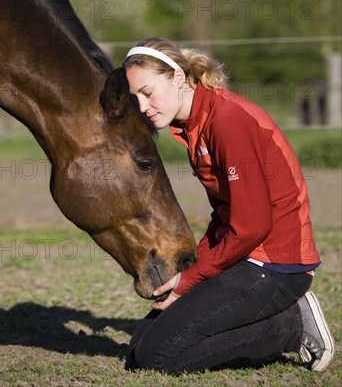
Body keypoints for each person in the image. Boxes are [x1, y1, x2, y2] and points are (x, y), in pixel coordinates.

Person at [123, 36, 335, 375]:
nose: (143, 107)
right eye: (136, 99)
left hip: (276, 265)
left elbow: (252, 227)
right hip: (245, 257)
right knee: (139, 348)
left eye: (147, 93)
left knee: (157, 357)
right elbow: (224, 214)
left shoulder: (226, 121)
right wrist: (190, 272)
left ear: (178, 78)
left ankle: (291, 325)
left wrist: (191, 281)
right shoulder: (192, 126)